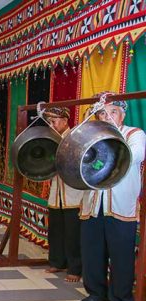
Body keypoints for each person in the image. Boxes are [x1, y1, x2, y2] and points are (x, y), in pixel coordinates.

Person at [77, 95, 145, 301]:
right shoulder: (91, 136)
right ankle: (96, 294)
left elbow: (135, 156)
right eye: (103, 113)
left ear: (122, 115)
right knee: (92, 252)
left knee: (121, 256)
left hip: (120, 207)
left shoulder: (134, 135)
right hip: (93, 205)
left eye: (112, 112)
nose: (107, 117)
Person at [42, 107, 84, 282]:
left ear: (65, 121)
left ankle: (74, 268)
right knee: (56, 229)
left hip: (73, 193)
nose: (51, 125)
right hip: (56, 191)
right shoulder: (50, 139)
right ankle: (57, 261)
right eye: (49, 122)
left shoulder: (75, 138)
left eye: (54, 121)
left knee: (72, 232)